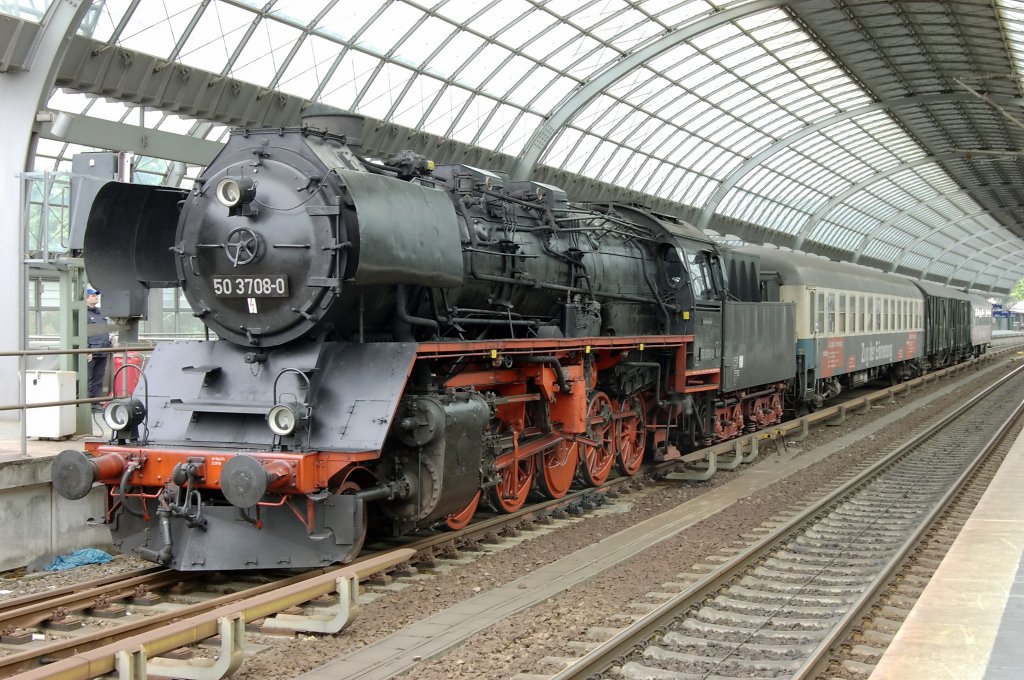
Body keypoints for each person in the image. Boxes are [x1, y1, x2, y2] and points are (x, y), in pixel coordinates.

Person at [86, 287, 112, 409]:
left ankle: (94, 402)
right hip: (91, 351)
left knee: (98, 377)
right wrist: (87, 350)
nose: (96, 297)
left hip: (103, 350)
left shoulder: (100, 313)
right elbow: (82, 332)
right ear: (86, 298)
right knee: (88, 377)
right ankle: (85, 403)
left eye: (96, 295)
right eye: (93, 295)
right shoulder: (84, 314)